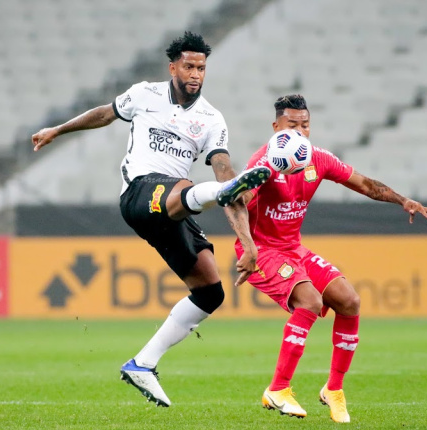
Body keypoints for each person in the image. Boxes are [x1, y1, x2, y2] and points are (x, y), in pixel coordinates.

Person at [31, 31, 271, 407]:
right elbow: (105, 113)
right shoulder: (145, 94)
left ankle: (142, 364)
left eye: (202, 68)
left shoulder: (211, 119)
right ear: (173, 66)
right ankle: (211, 192)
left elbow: (223, 168)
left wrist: (250, 244)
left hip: (176, 207)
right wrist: (58, 130)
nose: (196, 74)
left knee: (211, 291)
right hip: (140, 193)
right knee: (193, 188)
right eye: (189, 66)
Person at [235, 94, 427, 423]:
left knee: (349, 301)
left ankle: (333, 389)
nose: (300, 132)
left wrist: (402, 200)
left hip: (293, 249)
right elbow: (239, 203)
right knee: (310, 301)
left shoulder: (317, 159)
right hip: (263, 250)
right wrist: (248, 245)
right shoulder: (263, 164)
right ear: (276, 128)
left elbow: (364, 184)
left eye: (305, 125)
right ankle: (278, 388)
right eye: (292, 125)